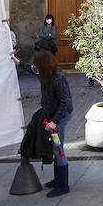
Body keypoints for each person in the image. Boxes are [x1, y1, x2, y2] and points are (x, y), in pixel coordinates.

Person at [33, 50, 73, 197]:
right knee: (56, 147)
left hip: (60, 119)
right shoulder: (45, 74)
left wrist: (55, 122)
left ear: (43, 66)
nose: (35, 68)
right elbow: (31, 70)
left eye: (36, 65)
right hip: (53, 117)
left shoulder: (58, 79)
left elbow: (64, 102)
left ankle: (63, 185)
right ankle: (58, 180)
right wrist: (18, 63)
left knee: (59, 149)